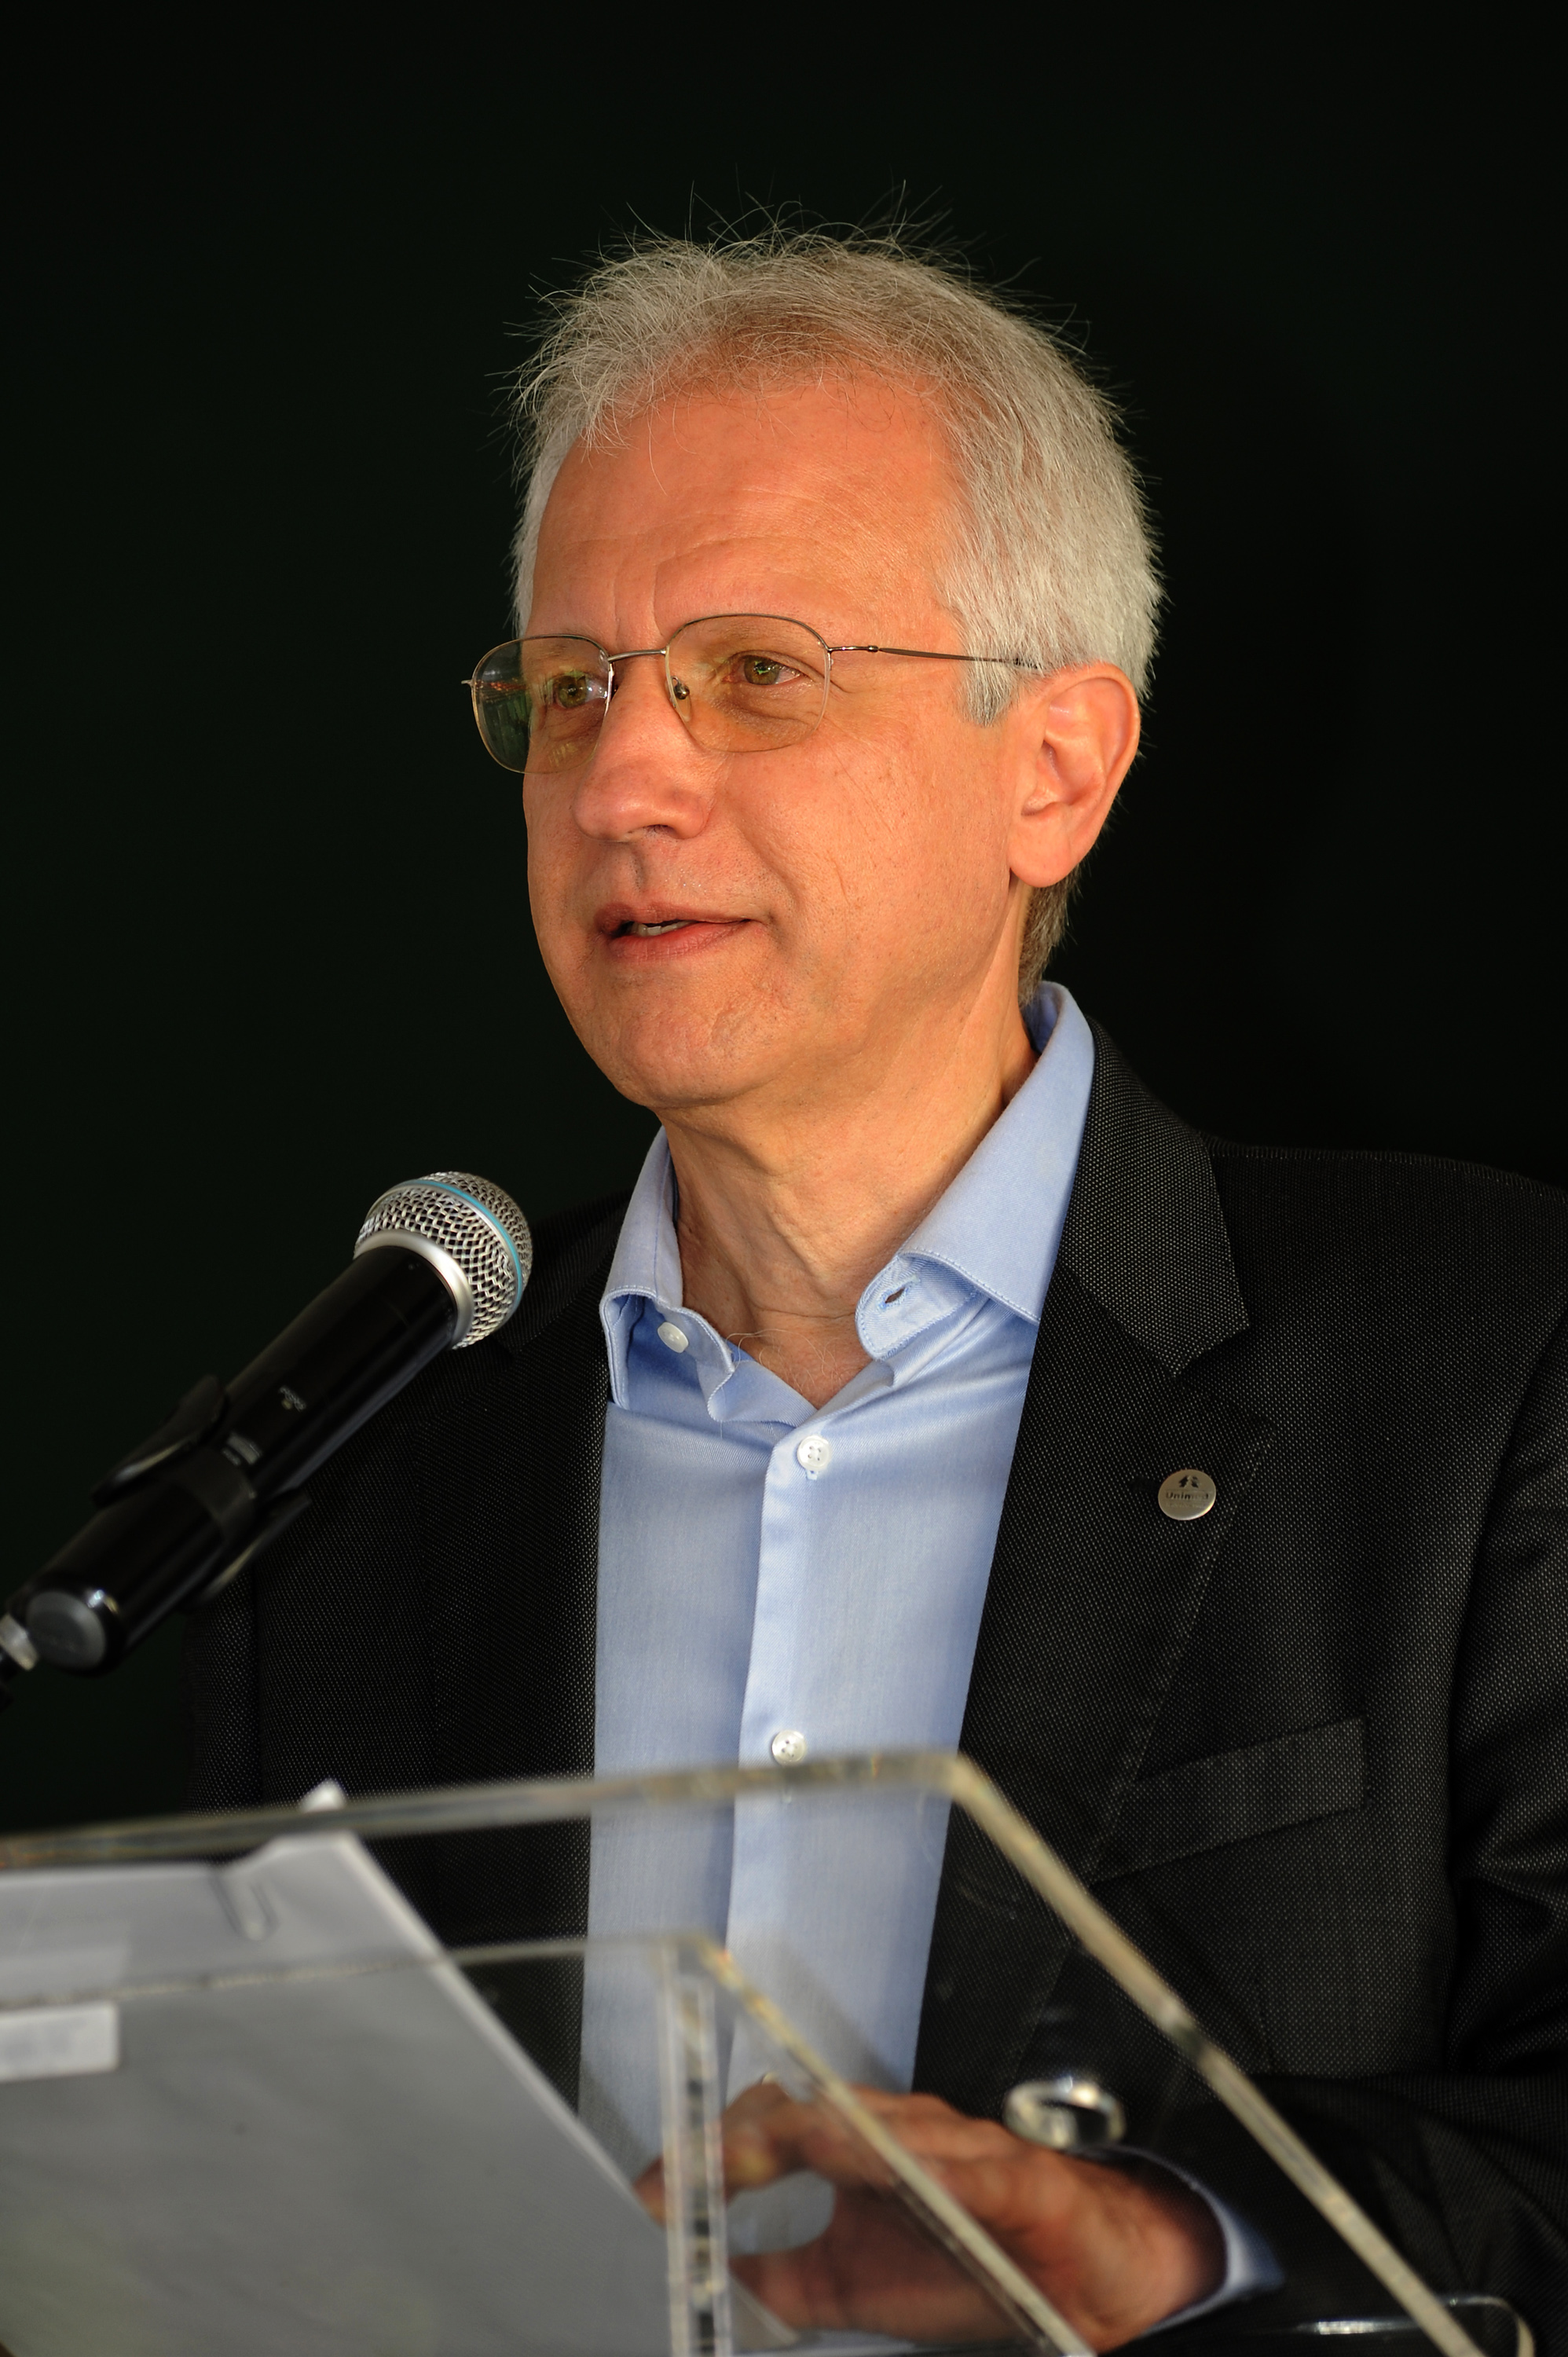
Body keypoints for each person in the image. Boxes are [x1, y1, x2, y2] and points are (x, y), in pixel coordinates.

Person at [186, 233, 1567, 2346]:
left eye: (755, 672)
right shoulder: (362, 1460)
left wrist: (1177, 2241)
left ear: (1058, 768)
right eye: (570, 689)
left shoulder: (1482, 1361)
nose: (623, 782)